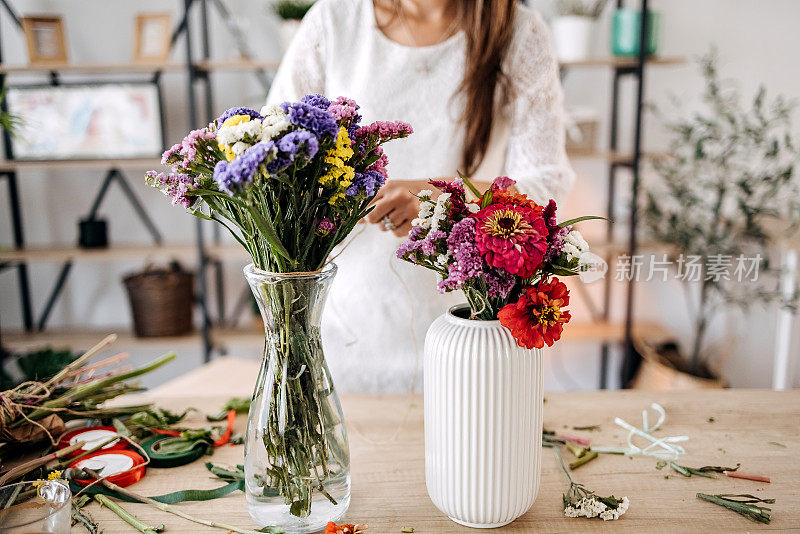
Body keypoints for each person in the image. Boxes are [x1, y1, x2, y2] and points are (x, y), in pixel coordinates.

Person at [265, 0, 575, 391]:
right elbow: (274, 157)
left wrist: (444, 197)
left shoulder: (517, 31)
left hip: (474, 325)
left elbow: (546, 183)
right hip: (344, 328)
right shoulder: (334, 21)